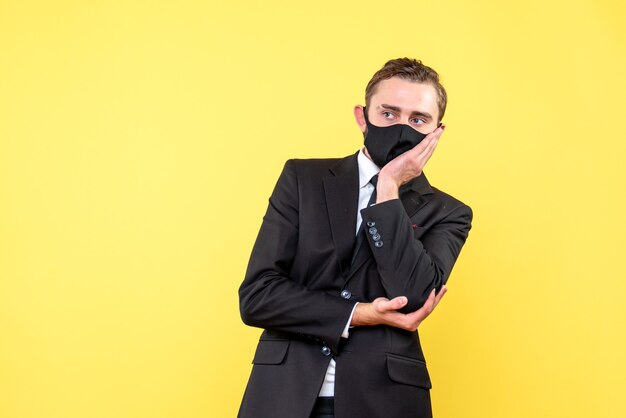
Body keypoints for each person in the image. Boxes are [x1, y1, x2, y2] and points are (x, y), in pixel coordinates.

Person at [237, 58, 473, 418]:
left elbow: (411, 299)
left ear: (436, 132)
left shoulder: (449, 213)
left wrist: (389, 186)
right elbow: (258, 296)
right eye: (389, 113)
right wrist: (358, 313)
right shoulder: (303, 180)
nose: (402, 128)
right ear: (363, 117)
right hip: (283, 394)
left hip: (385, 400)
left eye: (418, 119)